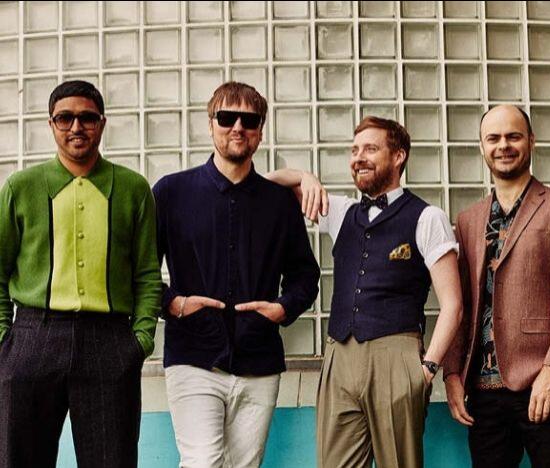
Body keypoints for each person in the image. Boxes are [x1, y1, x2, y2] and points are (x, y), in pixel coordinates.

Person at [267, 116, 462, 468]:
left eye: (370, 149)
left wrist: (426, 370)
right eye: (355, 150)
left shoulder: (428, 217)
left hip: (397, 356)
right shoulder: (341, 212)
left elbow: (453, 305)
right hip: (339, 355)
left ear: (398, 156)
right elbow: (265, 184)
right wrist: (304, 176)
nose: (359, 158)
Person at [153, 81, 320, 468]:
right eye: (227, 117)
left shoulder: (278, 202)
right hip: (193, 357)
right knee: (203, 461)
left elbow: (304, 274)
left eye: (250, 120)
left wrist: (282, 309)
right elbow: (139, 269)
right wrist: (173, 304)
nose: (238, 127)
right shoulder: (171, 192)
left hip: (259, 360)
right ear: (210, 124)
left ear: (260, 130)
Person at [0, 80, 161, 467]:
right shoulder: (21, 187)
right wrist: (5, 340)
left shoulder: (133, 189)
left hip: (109, 340)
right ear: (51, 124)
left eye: (87, 118)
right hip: (32, 337)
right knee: (20, 458)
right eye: (65, 118)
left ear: (102, 123)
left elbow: (147, 273)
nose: (76, 127)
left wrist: (140, 340)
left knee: (111, 460)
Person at [442, 105, 550, 468]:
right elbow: (461, 304)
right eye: (493, 138)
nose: (503, 146)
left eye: (513, 136)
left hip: (544, 385)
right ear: (482, 147)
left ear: (531, 141)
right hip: (483, 391)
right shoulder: (468, 220)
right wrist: (452, 374)